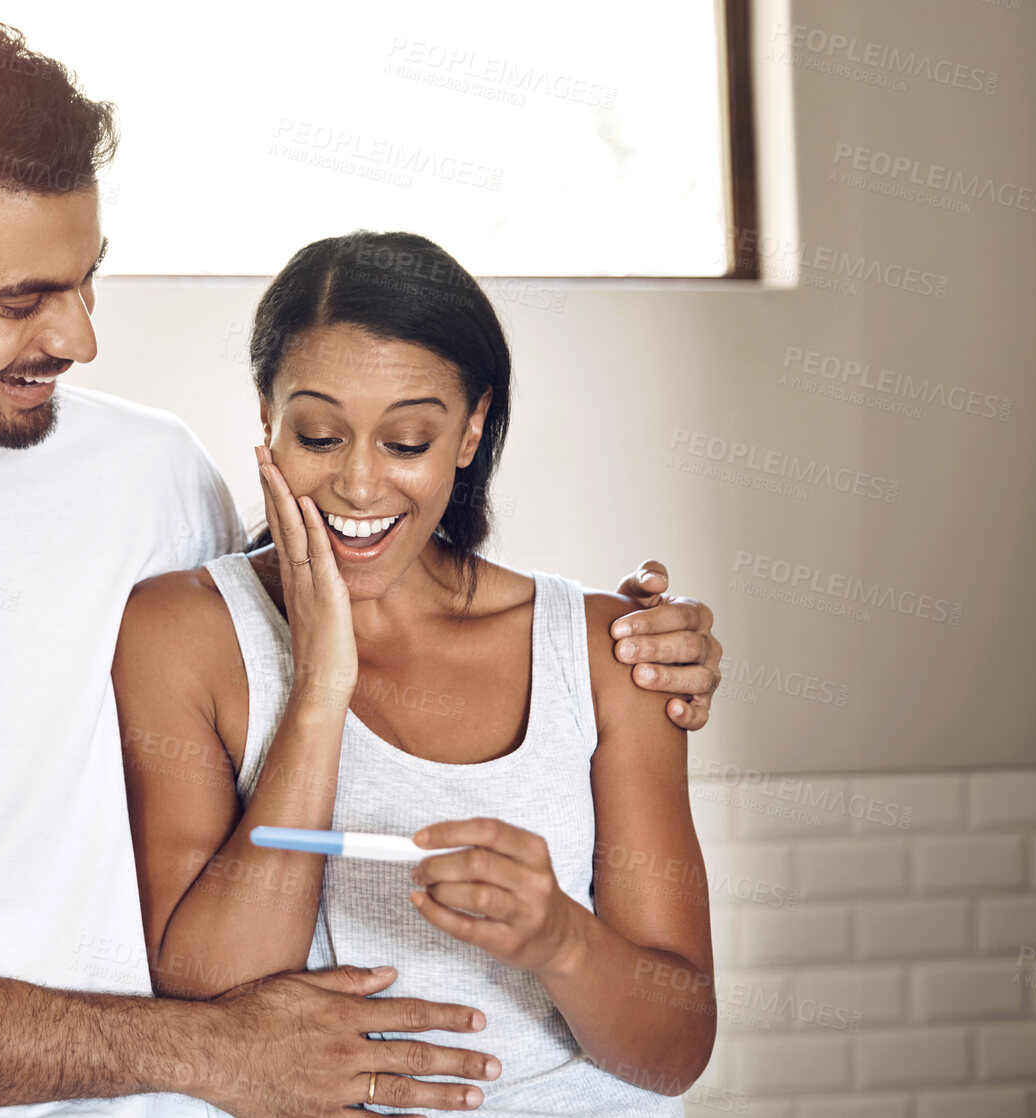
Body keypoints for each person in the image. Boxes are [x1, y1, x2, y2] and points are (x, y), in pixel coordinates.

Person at [0, 16, 724, 1118]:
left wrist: (637, 652)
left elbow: (338, 605)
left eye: (86, 279)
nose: (81, 338)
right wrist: (207, 1048)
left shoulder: (146, 468)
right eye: (22, 301)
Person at [115, 232, 714, 1116]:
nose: (358, 485)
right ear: (266, 417)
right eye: (318, 435)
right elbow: (213, 998)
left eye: (406, 441)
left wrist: (562, 941)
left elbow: (674, 1055)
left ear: (470, 430)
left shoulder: (608, 651)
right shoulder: (183, 634)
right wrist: (319, 689)